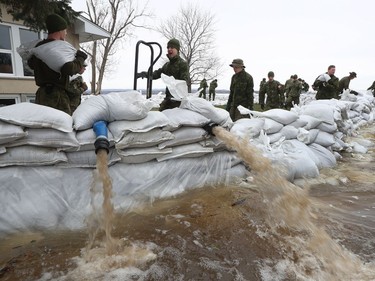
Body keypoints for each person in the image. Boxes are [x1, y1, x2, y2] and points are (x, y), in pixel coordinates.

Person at [28, 14, 88, 115]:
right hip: (56, 97)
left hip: (41, 95)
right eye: (65, 30)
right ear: (59, 30)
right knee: (62, 126)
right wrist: (81, 59)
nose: (65, 33)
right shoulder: (56, 48)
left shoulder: (39, 48)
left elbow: (31, 64)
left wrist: (78, 68)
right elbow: (68, 68)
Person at [137, 38, 189, 111]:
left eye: (172, 47)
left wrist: (175, 86)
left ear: (177, 49)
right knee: (161, 115)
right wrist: (144, 74)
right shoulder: (167, 65)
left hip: (178, 101)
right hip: (168, 100)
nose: (169, 49)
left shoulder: (183, 64)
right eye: (168, 47)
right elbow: (156, 74)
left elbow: (184, 82)